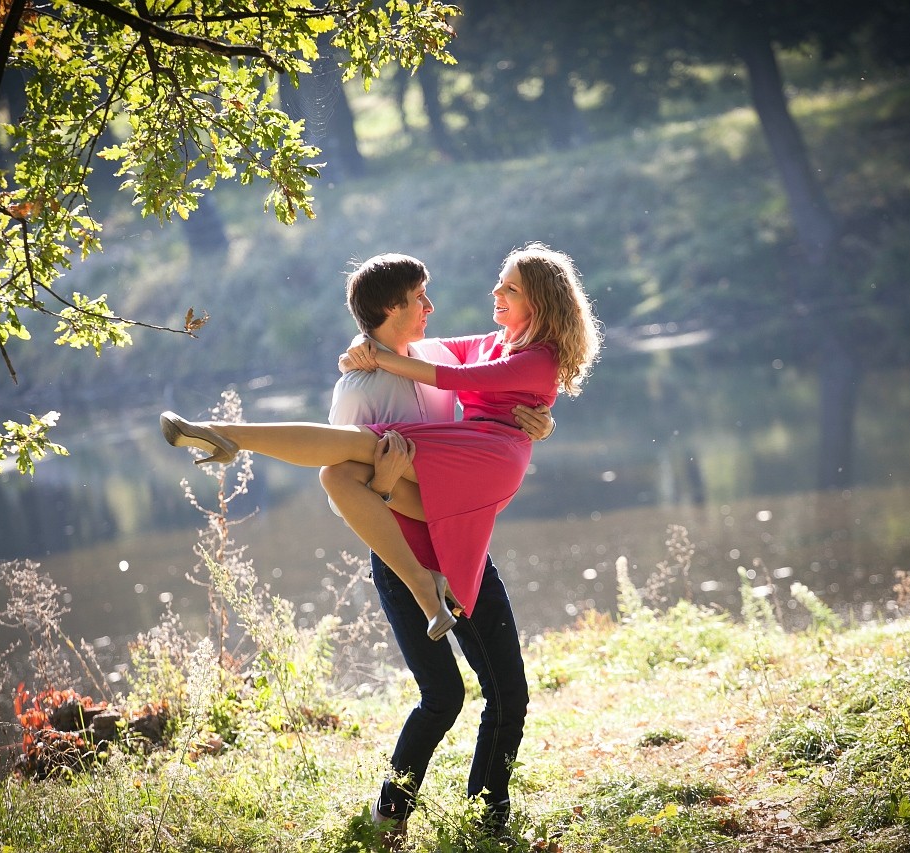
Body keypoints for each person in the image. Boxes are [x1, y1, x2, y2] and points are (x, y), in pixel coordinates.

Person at [159, 241, 602, 644]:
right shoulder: (482, 346)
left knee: (364, 444)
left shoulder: (536, 357)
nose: (495, 294)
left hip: (487, 460)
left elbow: (454, 377)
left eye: (510, 289)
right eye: (499, 284)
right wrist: (365, 350)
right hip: (435, 489)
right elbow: (420, 353)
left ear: (538, 302)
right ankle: (428, 590)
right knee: (338, 472)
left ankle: (227, 434)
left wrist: (545, 424)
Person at [324, 252, 551, 843]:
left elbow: (497, 391)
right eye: (420, 298)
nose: (431, 307)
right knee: (443, 696)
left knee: (510, 692)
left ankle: (487, 815)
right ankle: (389, 816)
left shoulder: (433, 356)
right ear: (389, 308)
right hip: (402, 559)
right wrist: (381, 480)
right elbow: (343, 489)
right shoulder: (357, 387)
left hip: (461, 543)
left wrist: (537, 420)